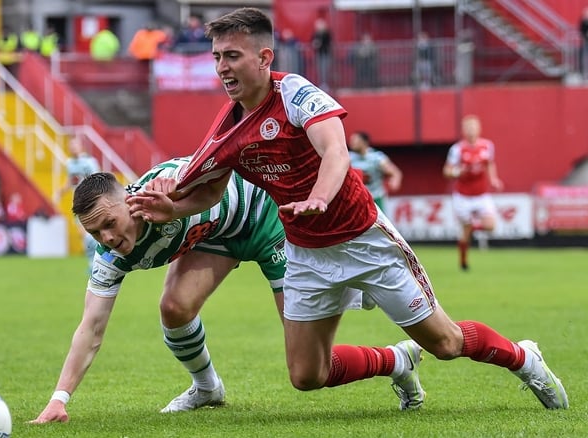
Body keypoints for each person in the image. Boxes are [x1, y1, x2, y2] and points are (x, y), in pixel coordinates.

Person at [128, 7, 567, 411]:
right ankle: (395, 362)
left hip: (363, 240)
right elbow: (210, 191)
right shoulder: (229, 126)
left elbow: (336, 150)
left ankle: (523, 357)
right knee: (306, 376)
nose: (222, 67)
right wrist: (175, 209)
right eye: (217, 57)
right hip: (305, 254)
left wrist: (320, 195)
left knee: (447, 344)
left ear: (264, 57)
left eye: (232, 56)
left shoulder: (295, 92)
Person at [30, 157, 297, 423]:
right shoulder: (109, 258)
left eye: (109, 223)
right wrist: (59, 399)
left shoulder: (163, 188)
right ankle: (207, 388)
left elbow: (220, 160)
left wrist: (181, 182)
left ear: (127, 201)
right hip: (219, 237)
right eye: (95, 233)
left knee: (306, 370)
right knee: (174, 309)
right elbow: (91, 328)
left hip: (265, 218)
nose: (107, 238)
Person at [443, 115, 503, 271]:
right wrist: (457, 172)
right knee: (465, 233)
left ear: (479, 129)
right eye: (468, 128)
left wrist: (494, 179)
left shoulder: (487, 146)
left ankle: (472, 227)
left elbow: (490, 164)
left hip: (481, 194)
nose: (471, 131)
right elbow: (447, 171)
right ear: (463, 130)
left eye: (474, 127)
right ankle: (463, 261)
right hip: (463, 196)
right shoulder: (457, 149)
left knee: (490, 226)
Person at [58, 137, 101, 272]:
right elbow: (71, 181)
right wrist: (61, 192)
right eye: (70, 146)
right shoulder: (70, 163)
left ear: (81, 146)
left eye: (74, 145)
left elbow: (97, 180)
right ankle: (92, 264)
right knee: (84, 234)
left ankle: (98, 262)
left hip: (91, 202)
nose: (72, 148)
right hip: (78, 203)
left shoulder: (90, 162)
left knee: (93, 234)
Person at [348, 131, 402, 210]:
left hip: (376, 197)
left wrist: (395, 180)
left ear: (364, 142)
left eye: (355, 140)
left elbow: (395, 172)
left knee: (380, 222)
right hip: (357, 198)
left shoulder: (376, 158)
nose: (351, 143)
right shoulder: (349, 158)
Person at [311, 18, 332, 90]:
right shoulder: (316, 33)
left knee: (325, 69)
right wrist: (314, 44)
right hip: (319, 54)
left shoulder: (326, 33)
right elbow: (312, 41)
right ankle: (321, 83)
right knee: (320, 70)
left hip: (325, 53)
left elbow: (328, 42)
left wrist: (320, 43)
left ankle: (325, 84)